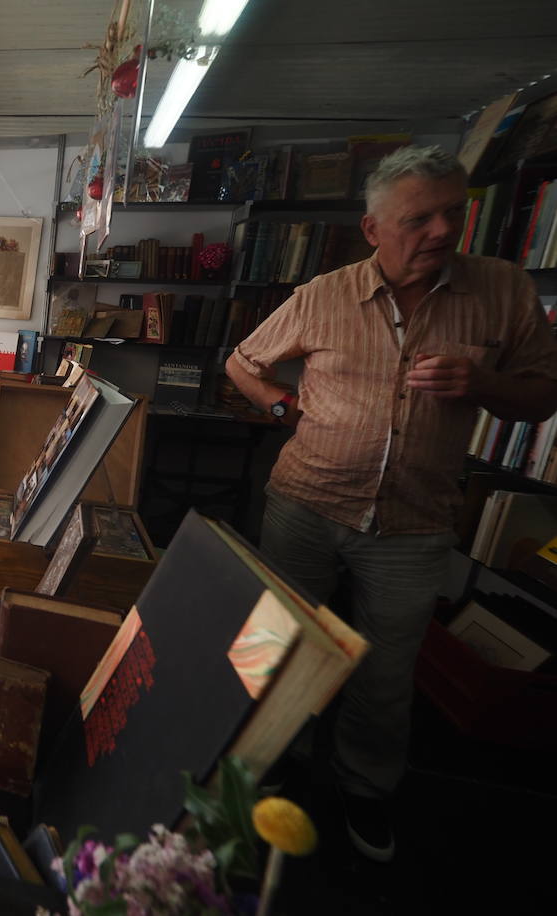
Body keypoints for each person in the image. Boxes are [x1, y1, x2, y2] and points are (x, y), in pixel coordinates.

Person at [224, 146, 557, 863]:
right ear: (374, 229)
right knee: (279, 651)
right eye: (419, 219)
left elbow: (542, 393)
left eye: (453, 212)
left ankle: (364, 788)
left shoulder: (502, 290)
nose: (441, 230)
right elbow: (243, 363)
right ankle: (268, 765)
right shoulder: (324, 293)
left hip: (414, 521)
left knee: (385, 672)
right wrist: (283, 407)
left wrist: (485, 385)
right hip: (306, 502)